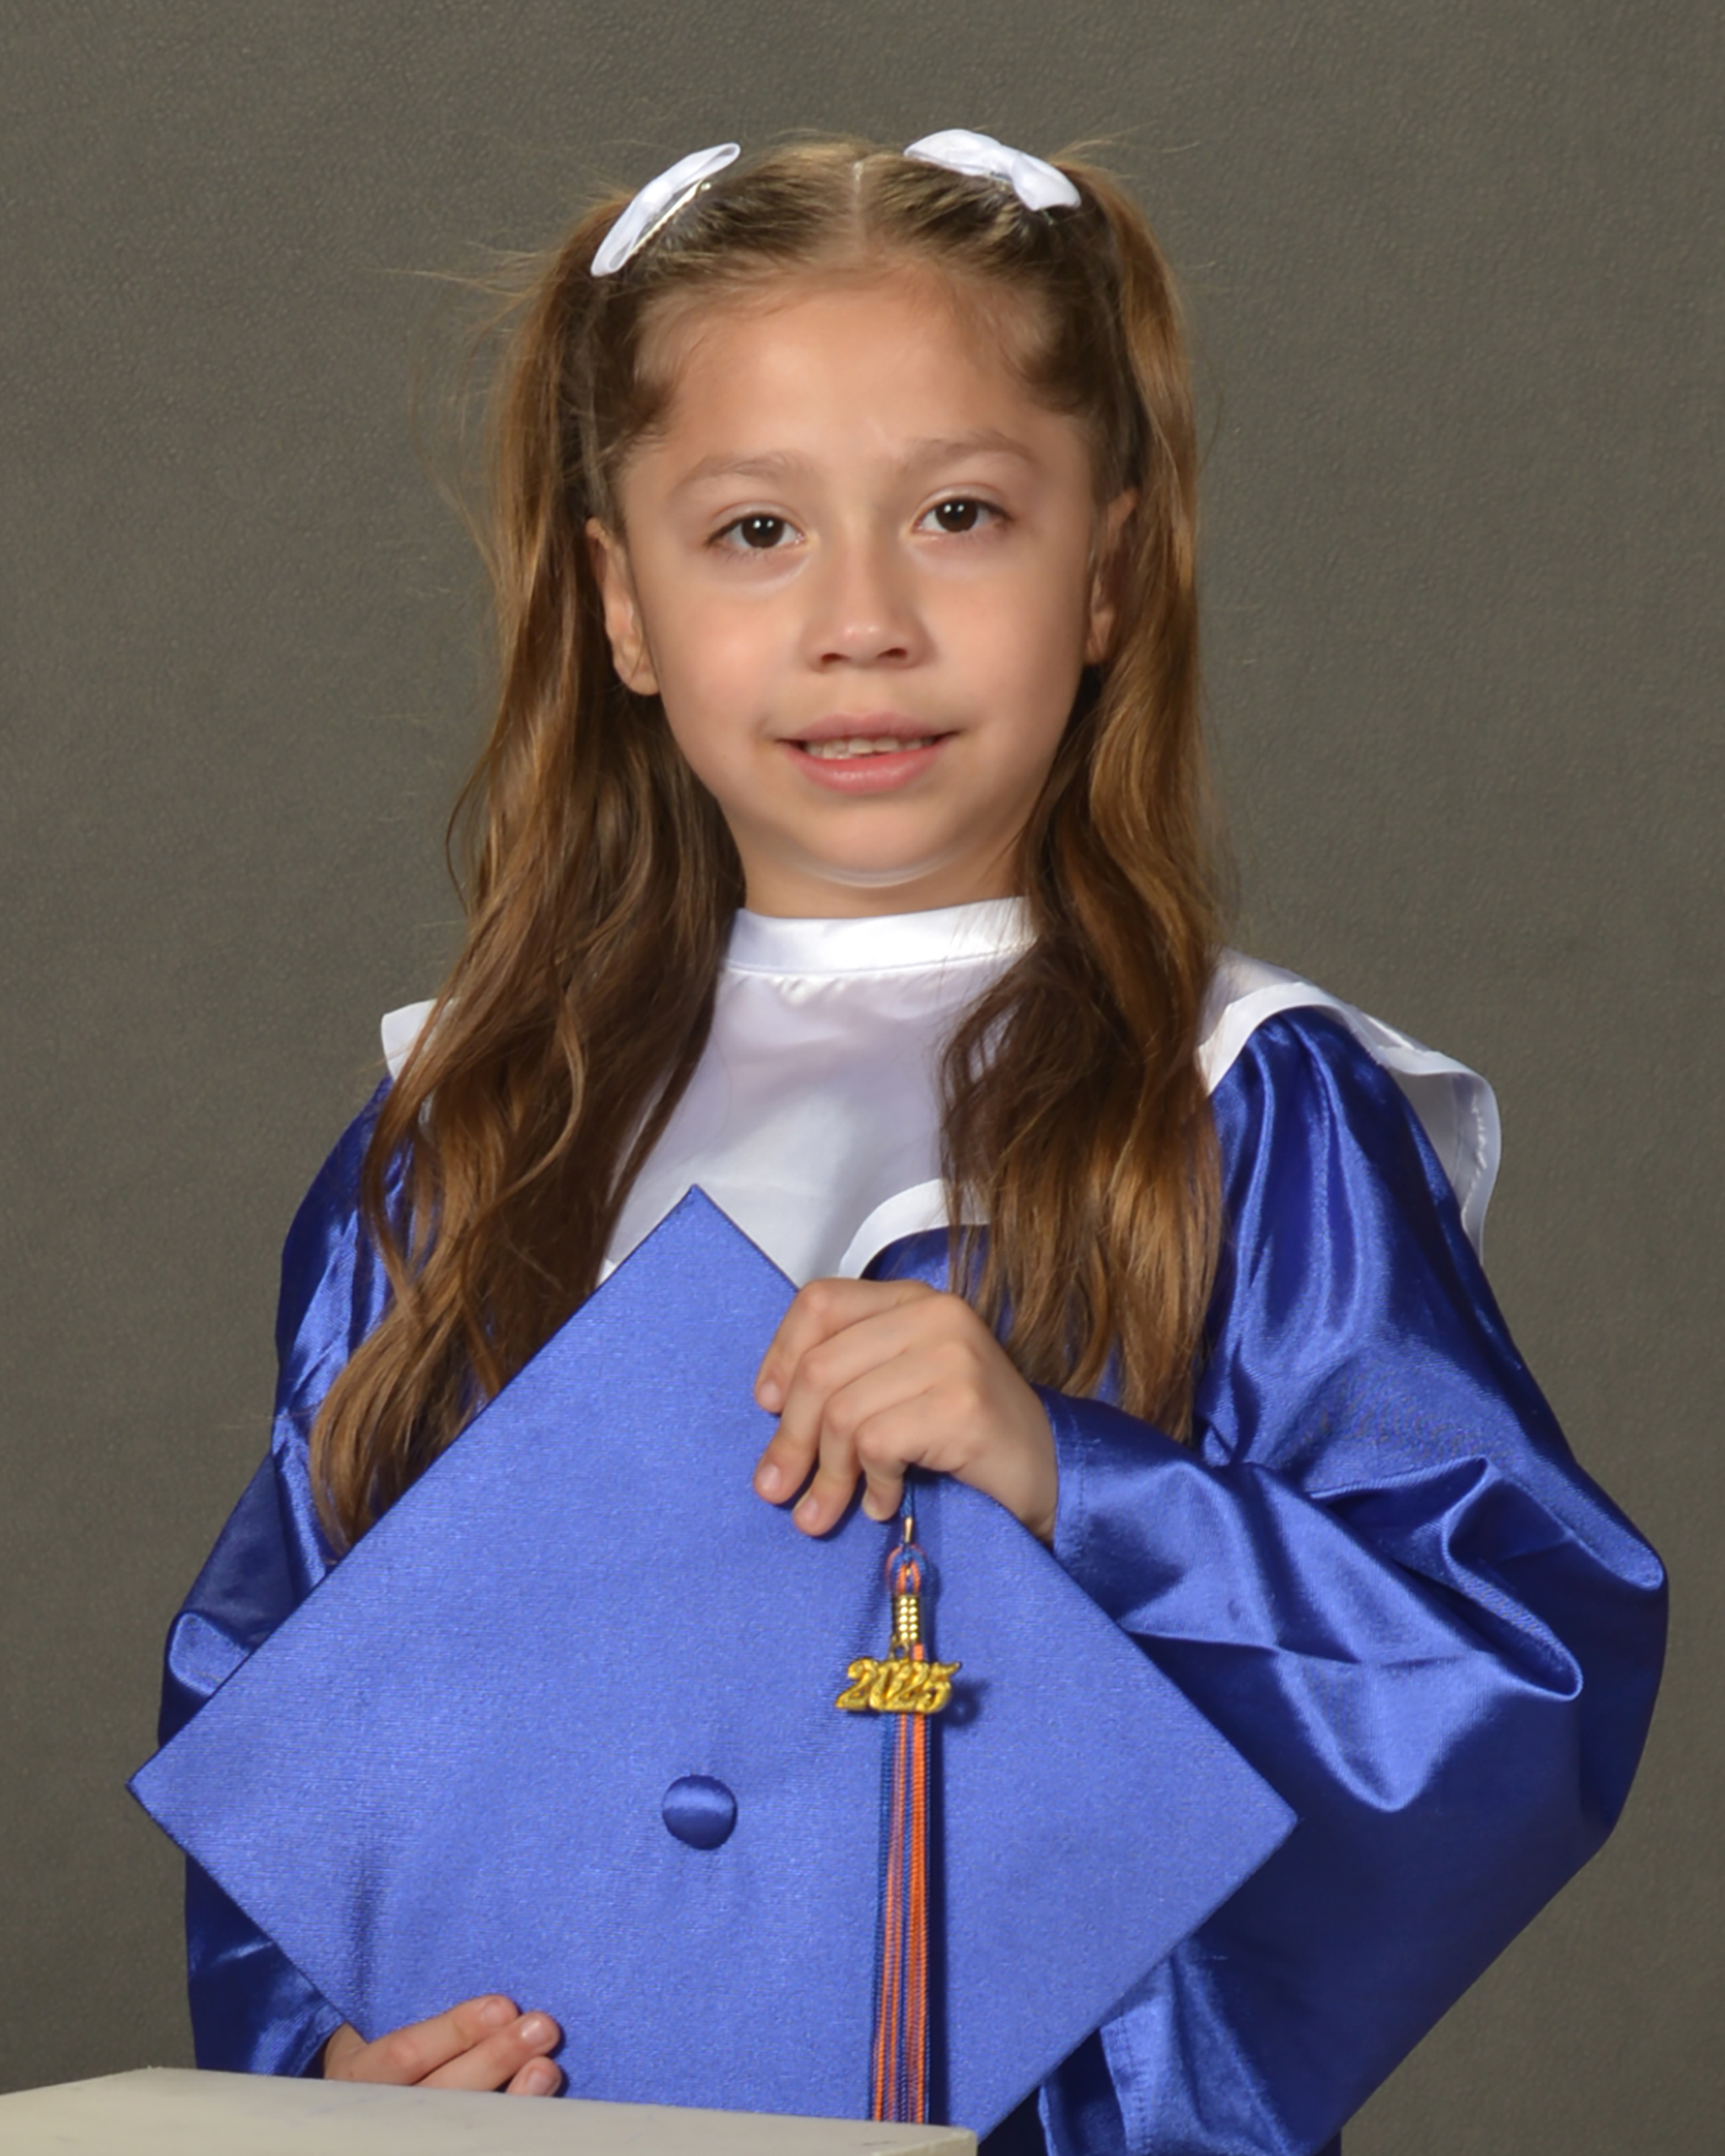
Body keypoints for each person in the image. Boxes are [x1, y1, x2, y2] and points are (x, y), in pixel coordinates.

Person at [152, 134, 1666, 2154]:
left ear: (1109, 564)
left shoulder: (1234, 1106)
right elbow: (280, 1706)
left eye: (960, 513)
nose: (860, 619)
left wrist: (1076, 1482)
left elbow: (1511, 1670)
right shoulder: (472, 1138)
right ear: (620, 601)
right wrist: (321, 2067)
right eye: (755, 529)